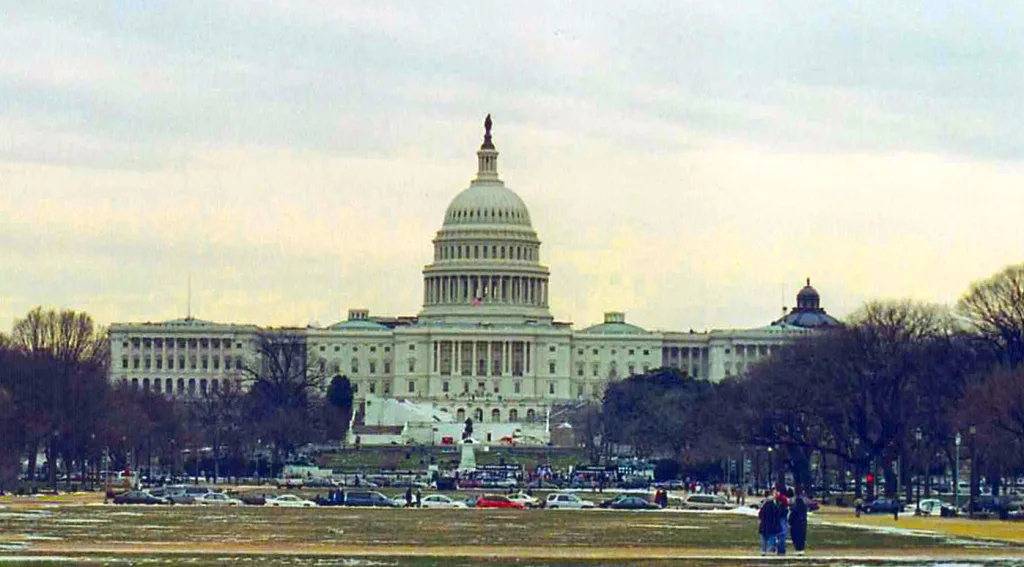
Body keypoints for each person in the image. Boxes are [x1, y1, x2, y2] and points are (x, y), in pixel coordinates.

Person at [776, 488, 790, 555]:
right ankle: (782, 550)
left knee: (779, 535)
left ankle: (780, 549)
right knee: (782, 535)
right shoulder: (783, 499)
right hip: (782, 518)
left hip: (779, 519)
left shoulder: (778, 499)